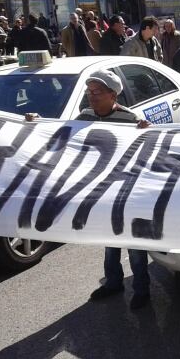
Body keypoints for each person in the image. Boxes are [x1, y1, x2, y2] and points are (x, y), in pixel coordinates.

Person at [25, 69, 153, 309]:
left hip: (128, 193)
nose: (91, 97)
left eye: (97, 92)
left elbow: (147, 152)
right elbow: (60, 133)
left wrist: (148, 130)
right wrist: (37, 122)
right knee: (109, 242)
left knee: (135, 246)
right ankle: (114, 282)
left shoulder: (130, 120)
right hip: (102, 193)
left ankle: (142, 290)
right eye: (89, 92)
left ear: (113, 95)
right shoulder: (84, 117)